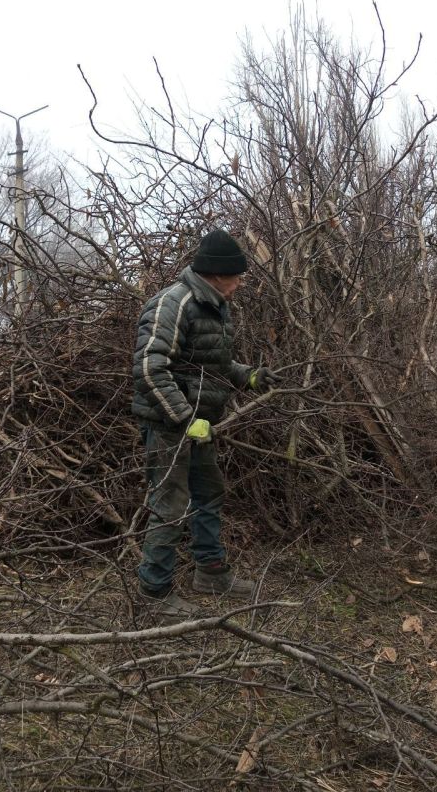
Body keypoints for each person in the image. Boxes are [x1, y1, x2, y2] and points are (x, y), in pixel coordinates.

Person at [132, 229, 280, 620]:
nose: (241, 284)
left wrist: (248, 376)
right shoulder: (173, 304)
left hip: (200, 424)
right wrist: (184, 419)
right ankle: (154, 592)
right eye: (237, 277)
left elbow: (211, 365)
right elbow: (150, 368)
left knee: (209, 493)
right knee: (170, 506)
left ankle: (211, 573)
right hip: (169, 426)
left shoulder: (211, 306)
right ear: (217, 274)